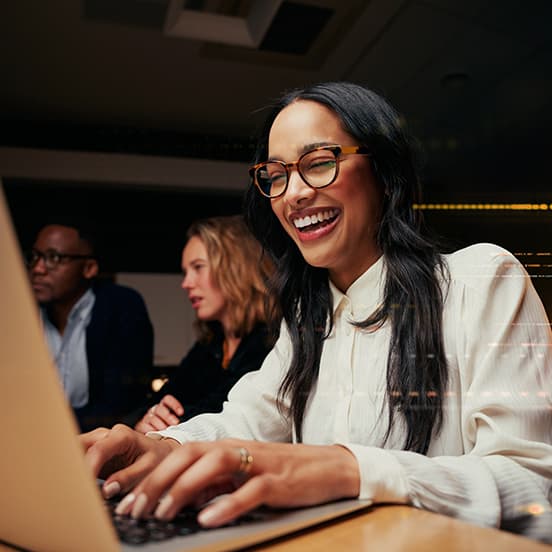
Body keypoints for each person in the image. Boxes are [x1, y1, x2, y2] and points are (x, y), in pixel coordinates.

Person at [80, 82, 552, 542]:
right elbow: (244, 421)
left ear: (385, 175)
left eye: (319, 163)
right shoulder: (308, 316)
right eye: (277, 175)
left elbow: (536, 489)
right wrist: (164, 447)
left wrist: (348, 468)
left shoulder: (482, 278)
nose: (293, 194)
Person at [127, 215, 279, 433]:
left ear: (236, 267)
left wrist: (159, 421)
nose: (186, 284)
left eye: (198, 267)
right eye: (185, 272)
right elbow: (161, 400)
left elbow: (224, 415)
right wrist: (146, 418)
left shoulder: (275, 340)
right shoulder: (211, 344)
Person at [28, 220, 154, 432]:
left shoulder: (122, 307)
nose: (38, 268)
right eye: (35, 256)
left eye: (54, 258)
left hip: (97, 446)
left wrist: (44, 427)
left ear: (89, 268)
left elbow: (122, 404)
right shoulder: (20, 311)